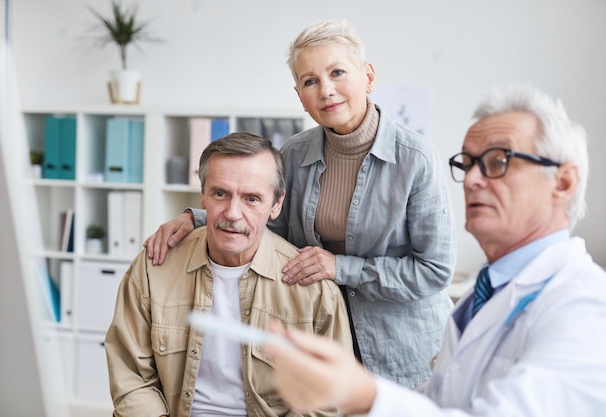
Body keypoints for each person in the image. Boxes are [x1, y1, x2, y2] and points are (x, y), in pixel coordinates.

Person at [144, 18, 456, 389]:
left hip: (402, 354)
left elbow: (434, 271)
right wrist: (197, 218)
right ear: (300, 95)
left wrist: (340, 268)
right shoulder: (294, 152)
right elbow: (271, 224)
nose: (326, 90)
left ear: (368, 76)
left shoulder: (415, 158)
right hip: (320, 339)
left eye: (337, 72)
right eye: (310, 81)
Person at [263, 84, 606, 416]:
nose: (471, 180)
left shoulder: (582, 307)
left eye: (499, 161)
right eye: (468, 163)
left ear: (563, 182)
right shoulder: (485, 293)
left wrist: (365, 395)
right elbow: (444, 404)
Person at [105, 132, 352, 417]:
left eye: (251, 199)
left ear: (276, 204)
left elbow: (327, 398)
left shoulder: (315, 291)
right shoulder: (152, 269)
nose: (233, 213)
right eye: (220, 194)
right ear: (203, 196)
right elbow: (131, 377)